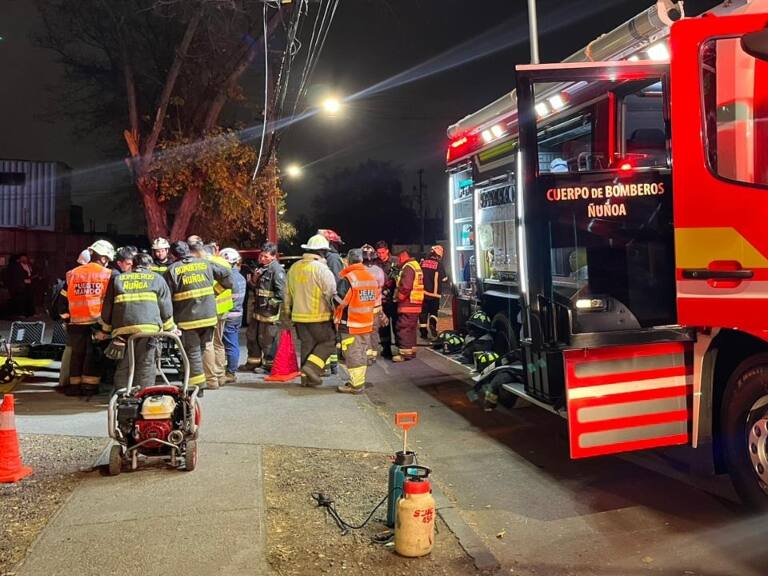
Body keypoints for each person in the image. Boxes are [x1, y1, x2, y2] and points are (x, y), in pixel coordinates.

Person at [165, 241, 232, 392]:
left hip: (188, 320)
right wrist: (215, 292)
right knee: (201, 349)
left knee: (193, 352)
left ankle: (197, 386)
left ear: (173, 255)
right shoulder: (205, 263)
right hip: (209, 318)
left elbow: (166, 298)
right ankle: (203, 381)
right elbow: (228, 276)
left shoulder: (172, 270)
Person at [100, 252, 175, 389]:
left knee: (124, 364)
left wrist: (106, 330)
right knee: (146, 364)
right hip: (149, 331)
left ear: (132, 265)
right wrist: (170, 328)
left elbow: (108, 307)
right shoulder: (157, 279)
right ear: (150, 266)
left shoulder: (118, 279)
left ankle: (122, 394)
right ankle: (143, 394)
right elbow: (165, 307)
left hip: (122, 331)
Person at [56, 240, 117, 396]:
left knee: (77, 354)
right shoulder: (108, 274)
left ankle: (74, 386)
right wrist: (107, 326)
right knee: (94, 355)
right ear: (103, 258)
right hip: (97, 322)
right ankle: (89, 387)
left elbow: (62, 300)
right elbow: (110, 301)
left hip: (75, 323)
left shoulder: (73, 273)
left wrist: (66, 319)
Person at [283, 234, 337, 387]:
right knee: (329, 342)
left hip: (298, 316)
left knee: (307, 345)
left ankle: (306, 379)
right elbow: (331, 293)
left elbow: (286, 293)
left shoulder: (294, 268)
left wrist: (287, 313)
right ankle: (311, 369)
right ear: (322, 252)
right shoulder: (321, 269)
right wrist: (335, 313)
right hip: (319, 316)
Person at [188, 237, 234, 389]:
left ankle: (211, 378)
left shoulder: (202, 264)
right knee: (218, 343)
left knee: (208, 344)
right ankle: (220, 375)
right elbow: (230, 282)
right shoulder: (222, 262)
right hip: (223, 308)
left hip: (209, 308)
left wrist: (213, 293)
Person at [334, 248, 378, 394]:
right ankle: (358, 381)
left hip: (350, 324)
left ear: (348, 261)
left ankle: (356, 385)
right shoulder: (370, 277)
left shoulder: (349, 279)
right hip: (366, 323)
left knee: (353, 354)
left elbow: (339, 301)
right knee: (361, 353)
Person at [242, 242, 285, 372]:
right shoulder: (261, 268)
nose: (262, 259)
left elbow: (281, 294)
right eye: (261, 256)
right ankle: (253, 363)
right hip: (257, 311)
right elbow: (255, 288)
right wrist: (254, 279)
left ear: (273, 256)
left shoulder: (277, 270)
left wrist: (270, 304)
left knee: (267, 340)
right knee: (252, 336)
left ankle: (269, 366)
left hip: (269, 313)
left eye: (266, 256)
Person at [219, 247, 246, 383]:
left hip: (228, 315)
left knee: (229, 344)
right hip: (237, 314)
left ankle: (230, 372)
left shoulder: (227, 278)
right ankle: (231, 370)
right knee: (232, 343)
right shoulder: (240, 277)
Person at [393, 250, 424, 362]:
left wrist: (399, 297)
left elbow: (406, 286)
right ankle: (411, 351)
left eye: (398, 258)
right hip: (416, 303)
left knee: (403, 327)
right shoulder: (416, 265)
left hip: (408, 303)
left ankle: (405, 354)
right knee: (411, 328)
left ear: (402, 256)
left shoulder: (408, 267)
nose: (398, 261)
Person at [374, 240, 399, 359]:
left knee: (396, 324)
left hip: (394, 299)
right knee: (383, 326)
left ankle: (400, 347)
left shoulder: (396, 261)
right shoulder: (375, 263)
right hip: (381, 300)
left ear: (387, 251)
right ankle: (386, 348)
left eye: (382, 252)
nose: (380, 255)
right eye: (378, 253)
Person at [361, 244, 386, 364]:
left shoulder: (358, 270)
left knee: (364, 332)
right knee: (374, 332)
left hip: (362, 307)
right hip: (376, 307)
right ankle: (373, 355)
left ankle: (367, 355)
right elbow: (380, 287)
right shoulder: (379, 270)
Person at [419, 245, 448, 340]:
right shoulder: (439, 264)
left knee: (423, 313)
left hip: (423, 292)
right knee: (433, 312)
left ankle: (423, 333)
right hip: (435, 294)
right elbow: (444, 279)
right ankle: (432, 324)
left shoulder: (423, 262)